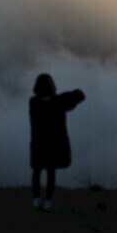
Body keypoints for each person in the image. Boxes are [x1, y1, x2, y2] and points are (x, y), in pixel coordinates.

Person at [29, 73, 85, 211]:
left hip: (38, 144)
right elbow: (79, 96)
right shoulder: (58, 102)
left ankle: (36, 198)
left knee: (37, 172)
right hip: (53, 145)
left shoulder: (33, 102)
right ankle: (48, 200)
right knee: (50, 172)